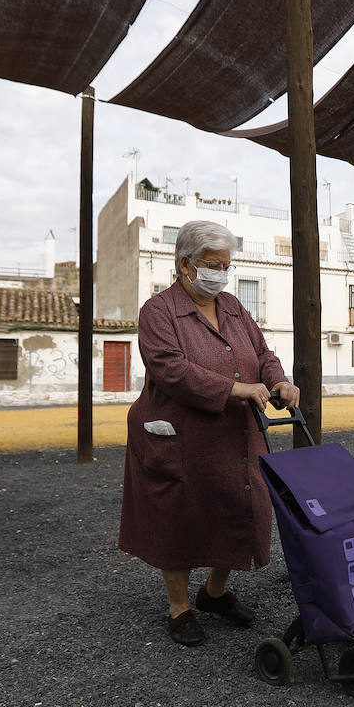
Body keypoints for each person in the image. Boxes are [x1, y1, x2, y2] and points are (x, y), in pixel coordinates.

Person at [119, 220, 300, 646]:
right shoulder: (158, 311)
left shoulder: (234, 306)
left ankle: (214, 593)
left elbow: (262, 352)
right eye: (213, 264)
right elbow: (170, 368)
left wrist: (280, 381)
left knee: (245, 503)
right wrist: (234, 388)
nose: (222, 272)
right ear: (186, 264)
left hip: (235, 430)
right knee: (178, 514)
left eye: (226, 265)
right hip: (180, 433)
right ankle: (179, 608)